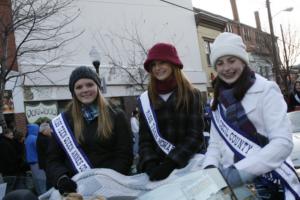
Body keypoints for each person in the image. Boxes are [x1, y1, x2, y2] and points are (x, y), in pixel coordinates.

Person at [202, 32, 300, 199]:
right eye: (220, 63)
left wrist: (240, 172)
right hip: (232, 187)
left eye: (231, 60)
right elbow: (215, 144)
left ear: (243, 60)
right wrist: (209, 168)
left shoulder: (266, 89)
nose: (226, 68)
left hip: (271, 180)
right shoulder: (218, 98)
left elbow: (282, 143)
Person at [46, 66, 133, 196]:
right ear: (73, 92)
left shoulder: (116, 115)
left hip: (111, 188)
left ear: (98, 87)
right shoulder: (64, 121)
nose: (85, 90)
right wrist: (61, 178)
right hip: (76, 191)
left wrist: (107, 183)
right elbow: (53, 159)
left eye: (89, 84)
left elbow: (124, 154)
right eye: (79, 87)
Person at [138, 42, 205, 181]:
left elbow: (195, 136)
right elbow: (145, 139)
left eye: (162, 62)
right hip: (157, 170)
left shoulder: (192, 94)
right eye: (153, 64)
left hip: (188, 166)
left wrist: (171, 163)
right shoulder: (146, 99)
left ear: (173, 64)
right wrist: (150, 163)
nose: (157, 68)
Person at [0, 129, 28, 194]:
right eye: (11, 135)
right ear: (6, 135)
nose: (12, 136)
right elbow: (8, 158)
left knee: (14, 187)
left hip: (11, 170)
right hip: (10, 171)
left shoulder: (8, 142)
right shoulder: (4, 144)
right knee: (11, 187)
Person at [25, 124, 47, 195]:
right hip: (37, 162)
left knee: (37, 182)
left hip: (31, 163)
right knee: (42, 181)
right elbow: (41, 150)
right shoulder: (34, 138)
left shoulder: (28, 138)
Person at [36, 122, 52, 189]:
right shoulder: (44, 139)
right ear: (44, 131)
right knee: (50, 179)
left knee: (49, 178)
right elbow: (50, 150)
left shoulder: (40, 137)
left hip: (45, 162)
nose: (50, 131)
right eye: (49, 130)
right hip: (47, 162)